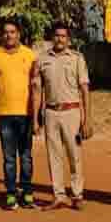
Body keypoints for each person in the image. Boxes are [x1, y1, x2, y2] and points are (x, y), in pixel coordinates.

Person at [33, 21, 92, 211]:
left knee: (74, 155)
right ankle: (58, 195)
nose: (60, 39)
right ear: (52, 37)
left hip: (72, 112)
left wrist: (87, 119)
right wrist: (36, 118)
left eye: (63, 36)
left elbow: (84, 89)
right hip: (51, 112)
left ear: (68, 39)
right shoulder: (42, 60)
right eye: (57, 35)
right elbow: (37, 90)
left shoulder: (77, 58)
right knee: (54, 156)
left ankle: (77, 194)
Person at [0, 20, 39, 210]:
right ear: (2, 35)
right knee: (9, 158)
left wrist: (36, 115)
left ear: (19, 34)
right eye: (6, 32)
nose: (9, 35)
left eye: (13, 32)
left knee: (26, 156)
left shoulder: (30, 55)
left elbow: (36, 87)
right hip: (4, 115)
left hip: (26, 114)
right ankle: (10, 193)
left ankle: (27, 192)